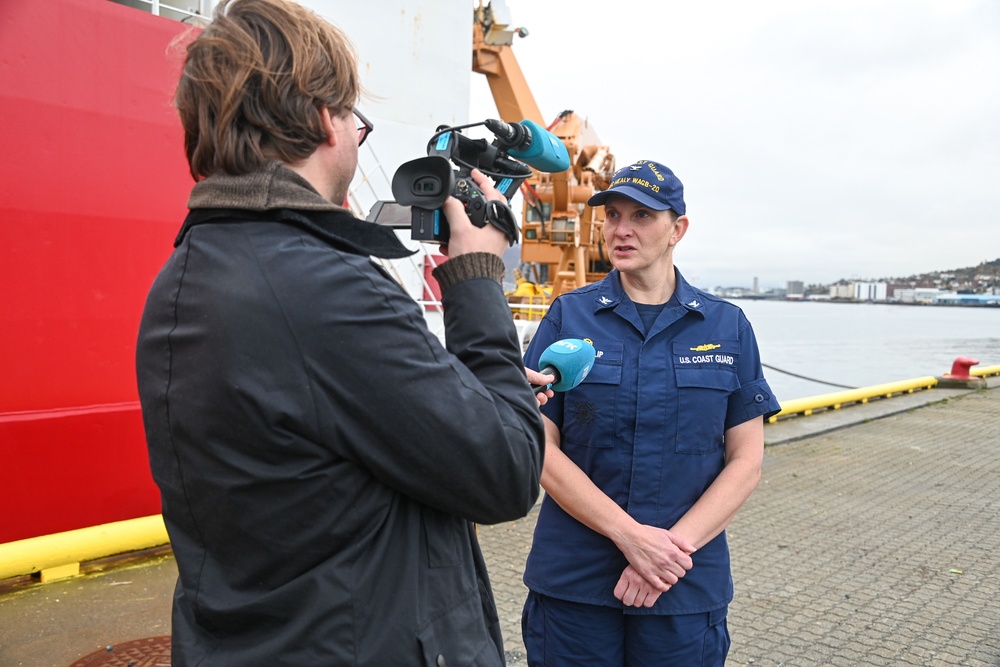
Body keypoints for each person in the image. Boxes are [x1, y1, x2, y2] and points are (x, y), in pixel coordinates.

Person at [134, 1, 548, 664]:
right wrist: (475, 275)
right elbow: (507, 471)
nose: (359, 136)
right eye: (357, 118)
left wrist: (459, 387)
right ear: (326, 119)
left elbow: (322, 429)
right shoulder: (322, 288)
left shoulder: (185, 277)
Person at [520, 159, 781, 666]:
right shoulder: (568, 316)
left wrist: (663, 554)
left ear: (677, 229)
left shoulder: (727, 327)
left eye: (642, 216)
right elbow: (539, 446)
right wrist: (629, 536)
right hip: (576, 582)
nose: (621, 229)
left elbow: (746, 461)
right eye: (613, 215)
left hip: (680, 584)